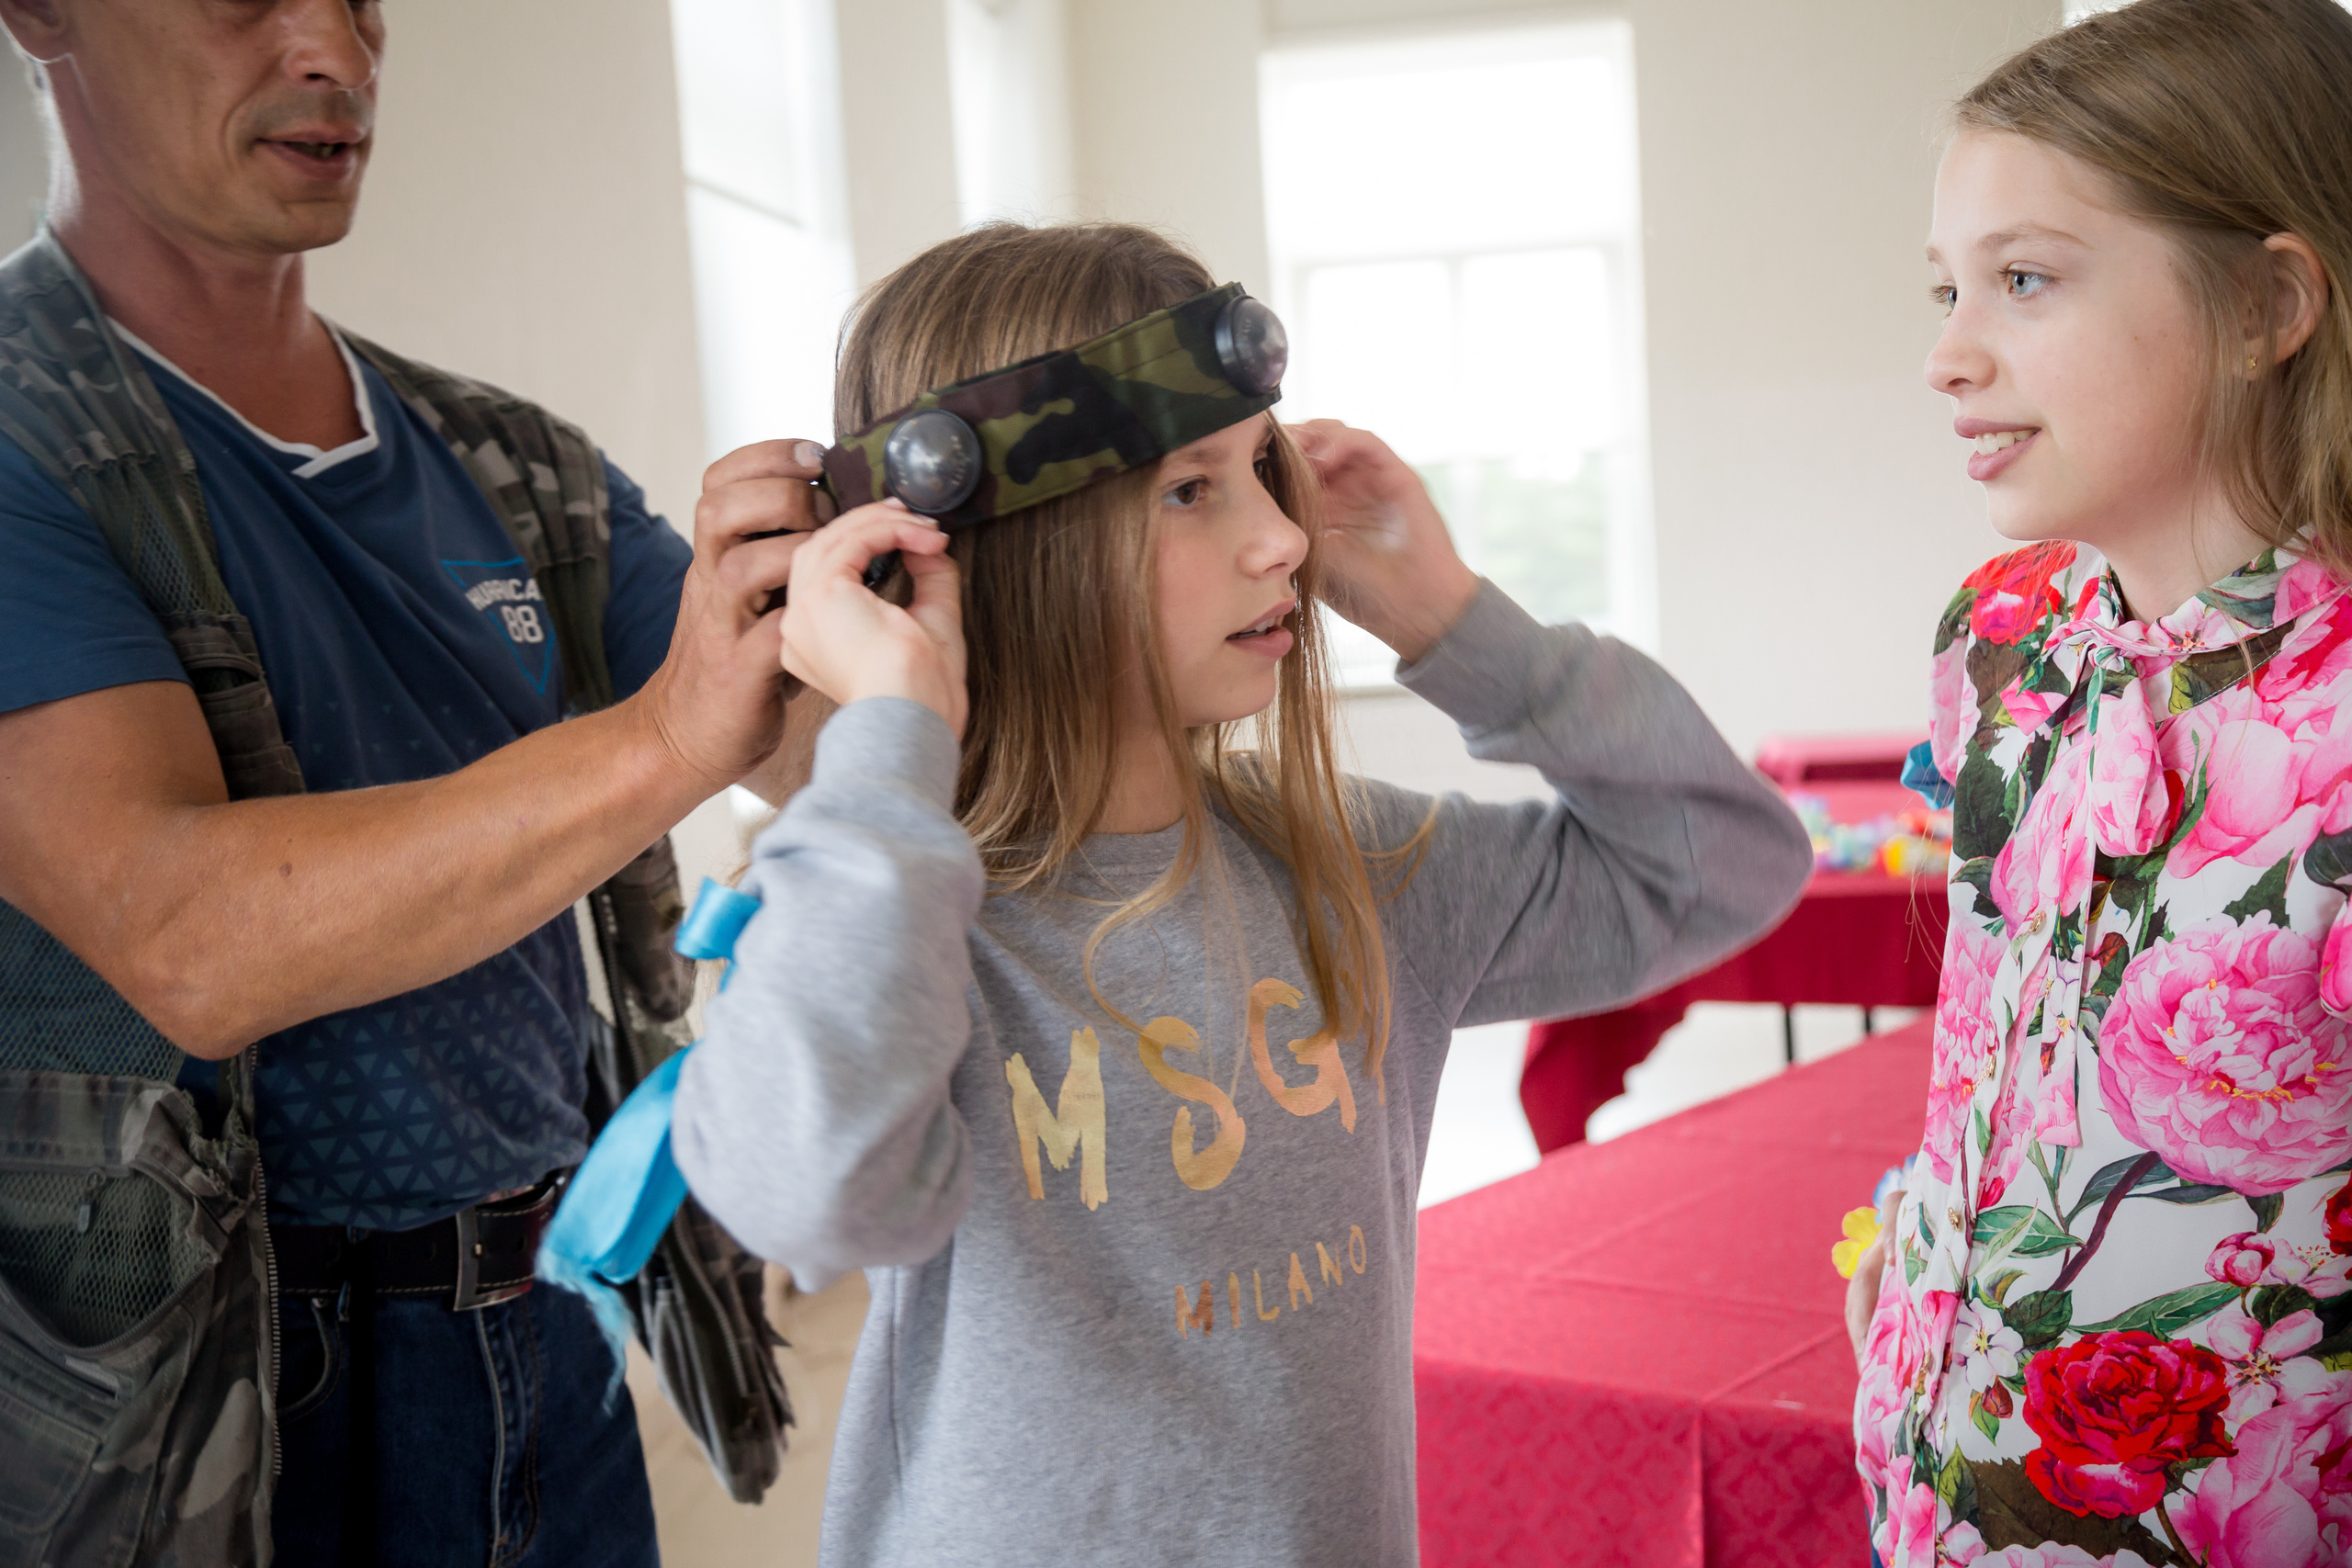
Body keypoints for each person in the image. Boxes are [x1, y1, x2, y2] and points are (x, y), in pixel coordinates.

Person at [665, 220, 1814, 1566]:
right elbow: (810, 1198)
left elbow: (1724, 863)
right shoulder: (899, 914)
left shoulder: (1357, 876)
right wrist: (888, 736)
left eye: (1259, 471)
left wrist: (1453, 617)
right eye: (1188, 492)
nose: (1281, 540)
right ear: (993, 548)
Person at [0, 0, 826, 1561]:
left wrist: (991, 584)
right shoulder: (21, 441)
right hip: (210, 1410)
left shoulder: (509, 461)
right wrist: (665, 738)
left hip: (542, 1322)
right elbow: (187, 938)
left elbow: (820, 740)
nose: (334, 47)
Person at [1846, 2, 2352, 1563]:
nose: (1948, 354)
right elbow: (2003, 1019)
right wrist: (1924, 1248)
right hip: (1942, 1474)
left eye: (2024, 279)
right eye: (1946, 287)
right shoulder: (2001, 634)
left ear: (2270, 301)